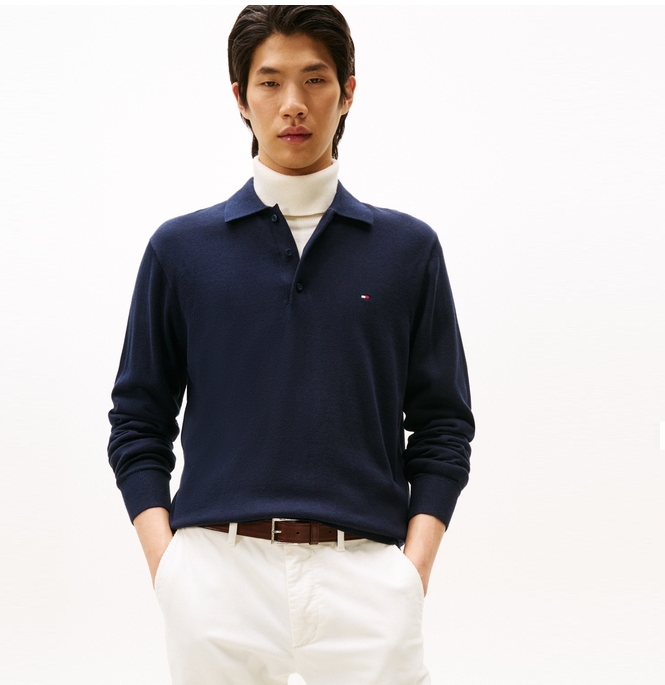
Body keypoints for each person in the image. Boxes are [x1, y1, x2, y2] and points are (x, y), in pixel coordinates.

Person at [107, 6, 474, 684]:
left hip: (366, 577)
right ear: (240, 97)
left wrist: (410, 572)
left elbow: (443, 424)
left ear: (348, 92)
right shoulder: (180, 251)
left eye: (315, 79)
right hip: (216, 575)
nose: (293, 104)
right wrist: (170, 568)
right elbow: (137, 419)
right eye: (271, 82)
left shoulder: (408, 251)